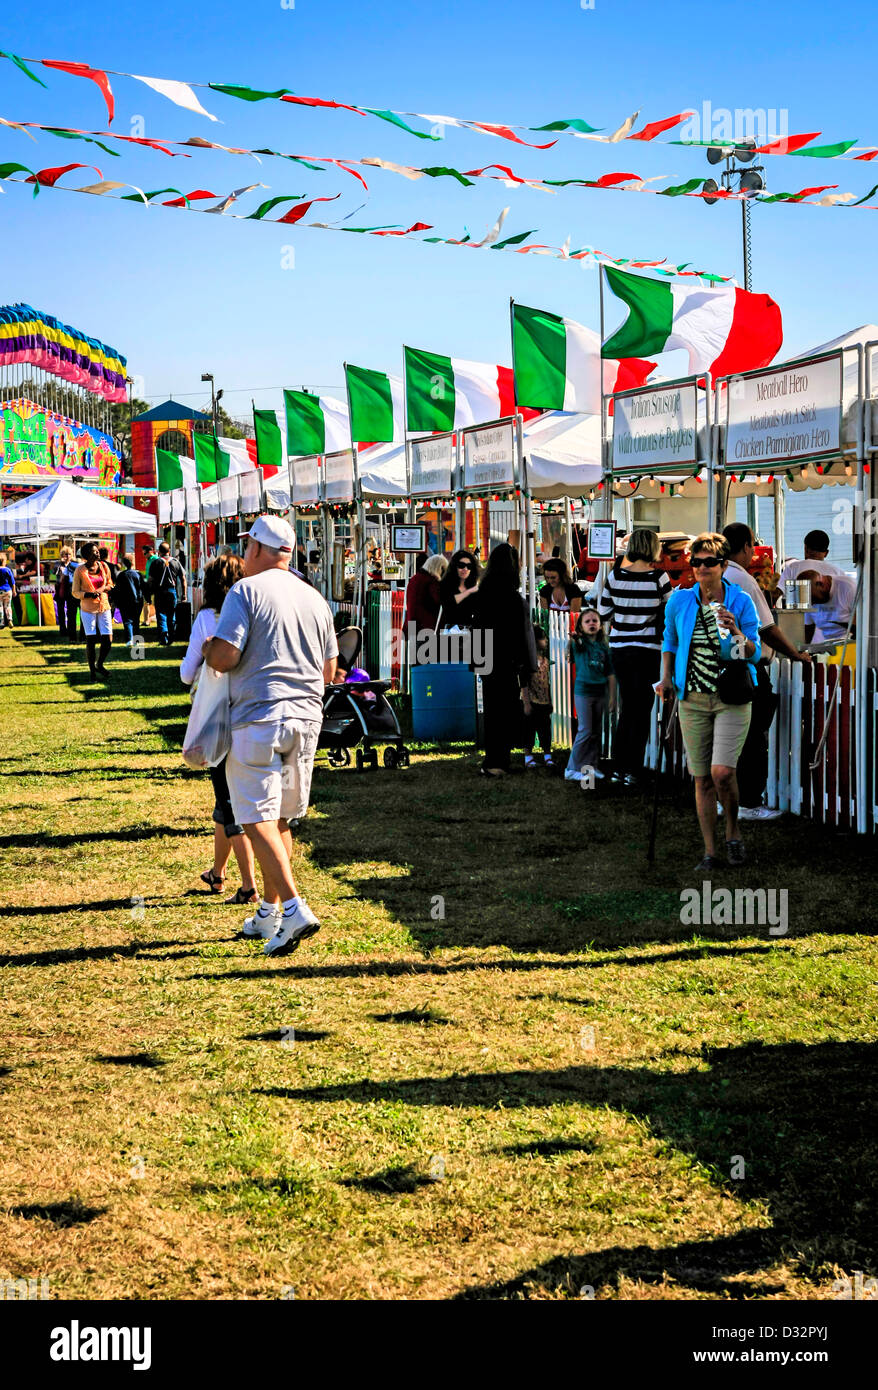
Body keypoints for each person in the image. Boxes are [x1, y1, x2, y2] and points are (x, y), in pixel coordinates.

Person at [203, 514, 339, 957]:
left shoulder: (245, 591)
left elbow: (225, 656)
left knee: (254, 816)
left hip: (260, 716)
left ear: (259, 549)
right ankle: (269, 912)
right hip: (306, 717)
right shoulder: (315, 598)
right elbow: (330, 671)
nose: (242, 555)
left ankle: (295, 908)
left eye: (247, 547)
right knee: (280, 818)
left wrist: (207, 647)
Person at [659, 533, 761, 872]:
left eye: (710, 562)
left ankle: (733, 830)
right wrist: (665, 678)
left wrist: (737, 634)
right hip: (692, 697)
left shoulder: (741, 600)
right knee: (701, 777)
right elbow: (669, 642)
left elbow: (754, 652)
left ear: (723, 565)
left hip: (731, 695)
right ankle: (710, 851)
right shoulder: (680, 601)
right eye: (697, 562)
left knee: (722, 772)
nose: (702, 568)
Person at [181, 553, 258, 906]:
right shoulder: (254, 614)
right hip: (252, 710)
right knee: (224, 801)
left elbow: (186, 673)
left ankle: (249, 885)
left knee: (230, 804)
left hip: (218, 718)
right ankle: (218, 872)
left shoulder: (207, 619)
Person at [722, 522, 812, 821]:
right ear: (747, 547)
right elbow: (768, 629)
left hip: (719, 664)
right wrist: (795, 654)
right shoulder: (743, 580)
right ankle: (748, 800)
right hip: (746, 665)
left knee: (727, 736)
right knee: (752, 736)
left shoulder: (715, 576)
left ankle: (726, 797)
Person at [597, 529, 671, 787]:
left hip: (620, 648)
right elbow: (668, 611)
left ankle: (619, 766)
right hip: (648, 649)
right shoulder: (659, 577)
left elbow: (603, 612)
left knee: (628, 709)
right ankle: (632, 768)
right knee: (642, 711)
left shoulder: (614, 577)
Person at [471, 542, 537, 777]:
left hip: (488, 659)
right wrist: (527, 665)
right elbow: (522, 634)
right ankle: (498, 761)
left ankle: (494, 759)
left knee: (492, 711)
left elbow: (476, 628)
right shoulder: (513, 599)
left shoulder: (482, 594)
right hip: (508, 661)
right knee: (506, 711)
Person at [564, 607, 616, 783]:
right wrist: (573, 639)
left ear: (601, 625)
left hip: (600, 693)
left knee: (595, 732)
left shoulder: (604, 647)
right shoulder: (580, 643)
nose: (591, 624)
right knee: (585, 730)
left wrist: (612, 697)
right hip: (584, 693)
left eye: (595, 621)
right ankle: (571, 768)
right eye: (587, 621)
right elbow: (571, 649)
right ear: (581, 626)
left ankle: (590, 767)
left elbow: (610, 674)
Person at [72, 542, 115, 680]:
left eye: (97, 551)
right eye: (94, 552)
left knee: (108, 639)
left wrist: (101, 590)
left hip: (104, 605)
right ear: (86, 556)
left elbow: (110, 584)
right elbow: (75, 592)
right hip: (88, 608)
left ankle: (100, 664)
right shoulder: (80, 570)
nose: (97, 553)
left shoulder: (103, 566)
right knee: (91, 640)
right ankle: (92, 671)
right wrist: (88, 594)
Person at [522, 624, 554, 768]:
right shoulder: (527, 661)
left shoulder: (545, 661)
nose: (546, 641)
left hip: (543, 701)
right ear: (534, 641)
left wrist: (549, 700)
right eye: (543, 638)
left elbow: (546, 682)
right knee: (529, 729)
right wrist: (526, 703)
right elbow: (524, 683)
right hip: (531, 700)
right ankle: (528, 755)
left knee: (545, 728)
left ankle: (547, 754)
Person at [799, 570, 857, 642]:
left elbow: (858, 625)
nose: (812, 604)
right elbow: (808, 627)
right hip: (828, 643)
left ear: (820, 584)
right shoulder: (809, 596)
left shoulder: (849, 588)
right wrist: (804, 649)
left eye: (814, 599)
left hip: (850, 642)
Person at [779, 529, 847, 587]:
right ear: (826, 553)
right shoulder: (839, 573)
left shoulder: (793, 568)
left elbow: (778, 591)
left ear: (806, 549)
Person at [148, 541, 186, 645]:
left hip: (159, 591)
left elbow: (150, 579)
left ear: (159, 552)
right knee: (171, 614)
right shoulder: (175, 561)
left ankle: (163, 638)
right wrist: (184, 594)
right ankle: (171, 637)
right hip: (171, 591)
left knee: (161, 614)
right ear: (169, 551)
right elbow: (183, 579)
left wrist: (149, 592)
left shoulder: (155, 562)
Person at [405, 553, 448, 637]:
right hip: (427, 627)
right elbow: (441, 599)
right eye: (443, 569)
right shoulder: (431, 581)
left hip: (413, 625)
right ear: (439, 568)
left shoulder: (415, 578)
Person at [438, 549, 481, 629]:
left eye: (469, 566)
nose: (465, 569)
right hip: (448, 633)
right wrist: (468, 592)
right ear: (454, 566)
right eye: (461, 565)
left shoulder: (473, 587)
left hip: (468, 634)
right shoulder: (445, 585)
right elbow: (449, 604)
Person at [112, 556, 145, 646]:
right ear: (133, 562)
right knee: (136, 621)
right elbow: (143, 587)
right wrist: (148, 598)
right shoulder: (138, 574)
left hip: (124, 601)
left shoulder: (121, 575)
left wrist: (116, 601)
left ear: (123, 564)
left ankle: (129, 639)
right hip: (137, 600)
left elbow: (117, 589)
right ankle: (137, 640)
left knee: (127, 621)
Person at [0, 550, 16, 630]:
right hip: (8, 590)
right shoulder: (7, 570)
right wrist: (14, 590)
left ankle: (1, 622)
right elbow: (12, 581)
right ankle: (10, 619)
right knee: (8, 606)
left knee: (0, 607)